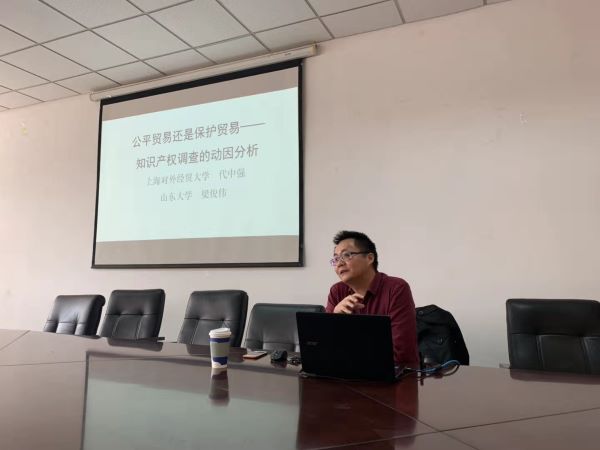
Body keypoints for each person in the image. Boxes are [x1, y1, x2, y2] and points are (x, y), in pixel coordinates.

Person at [326, 230, 419, 364]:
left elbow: (401, 352)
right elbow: (324, 348)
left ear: (369, 258)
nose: (339, 263)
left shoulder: (396, 288)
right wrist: (335, 319)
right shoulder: (337, 291)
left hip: (394, 373)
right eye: (335, 259)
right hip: (346, 371)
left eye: (346, 255)